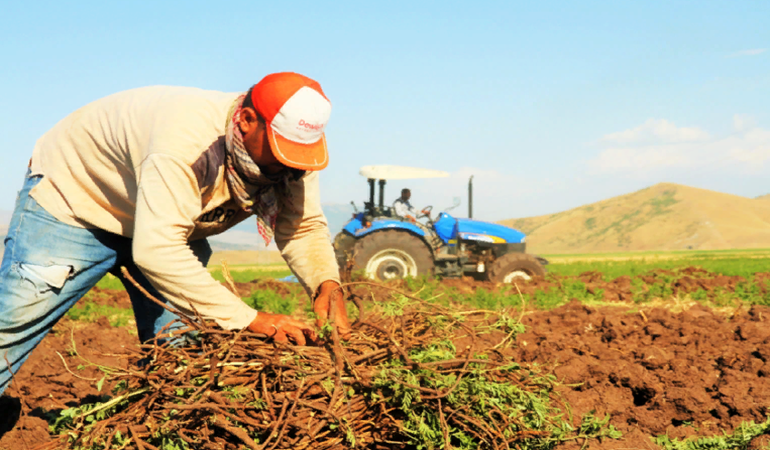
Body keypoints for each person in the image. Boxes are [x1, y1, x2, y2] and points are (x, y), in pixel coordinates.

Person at [0, 72, 352, 397]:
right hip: (79, 200)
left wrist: (326, 284)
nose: (289, 165)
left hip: (168, 222)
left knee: (181, 353)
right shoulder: (185, 141)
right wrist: (253, 319)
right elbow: (159, 250)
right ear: (246, 121)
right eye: (280, 153)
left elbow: (302, 226)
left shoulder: (293, 154)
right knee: (12, 325)